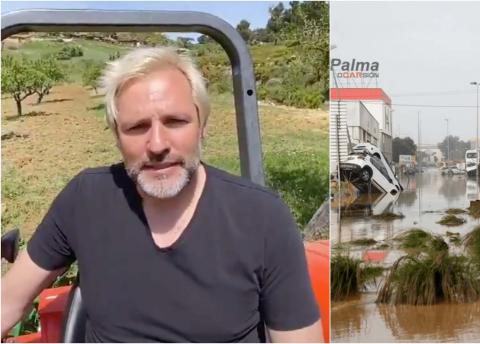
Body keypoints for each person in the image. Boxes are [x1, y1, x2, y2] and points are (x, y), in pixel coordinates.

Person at [1, 47, 323, 342]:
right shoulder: (85, 200)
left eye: (175, 121)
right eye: (137, 127)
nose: (157, 145)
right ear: (116, 136)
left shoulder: (262, 218)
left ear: (203, 126)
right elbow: (9, 301)